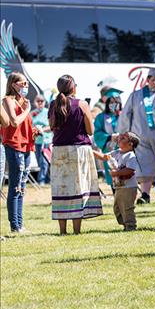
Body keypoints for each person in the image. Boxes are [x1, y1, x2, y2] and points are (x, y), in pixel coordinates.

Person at [49, 74, 103, 235]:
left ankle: (62, 231)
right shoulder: (82, 104)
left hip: (59, 151)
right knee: (78, 189)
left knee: (61, 190)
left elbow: (52, 126)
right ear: (74, 88)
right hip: (78, 150)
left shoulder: (53, 104)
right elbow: (90, 131)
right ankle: (76, 230)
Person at [118, 68, 155, 204]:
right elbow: (126, 114)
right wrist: (124, 133)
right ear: (147, 80)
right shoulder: (136, 96)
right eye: (154, 80)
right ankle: (145, 194)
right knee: (145, 164)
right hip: (141, 137)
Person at [1, 72, 35, 233]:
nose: (25, 86)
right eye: (22, 83)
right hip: (14, 146)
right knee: (15, 186)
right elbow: (13, 122)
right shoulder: (8, 100)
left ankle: (20, 224)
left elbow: (24, 125)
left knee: (22, 186)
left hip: (27, 146)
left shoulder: (24, 102)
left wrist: (34, 131)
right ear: (13, 84)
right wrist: (27, 110)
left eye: (27, 83)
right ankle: (14, 225)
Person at [94, 132, 140, 231]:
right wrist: (90, 150)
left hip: (129, 187)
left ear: (130, 144)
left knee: (127, 207)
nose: (119, 139)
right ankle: (125, 224)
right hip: (119, 186)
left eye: (123, 138)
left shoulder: (130, 155)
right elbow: (104, 157)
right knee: (117, 208)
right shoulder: (117, 152)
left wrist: (116, 173)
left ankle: (131, 226)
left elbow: (130, 170)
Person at [94, 88, 122, 191]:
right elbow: (97, 133)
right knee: (112, 171)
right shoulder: (101, 117)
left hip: (124, 148)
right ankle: (115, 192)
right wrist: (110, 137)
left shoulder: (124, 116)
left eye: (116, 102)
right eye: (111, 102)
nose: (113, 104)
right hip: (109, 149)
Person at [30, 95, 52, 186]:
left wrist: (42, 130)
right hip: (36, 141)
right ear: (35, 102)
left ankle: (41, 180)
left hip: (46, 140)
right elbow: (30, 126)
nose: (40, 103)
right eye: (38, 101)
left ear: (44, 102)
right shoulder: (32, 113)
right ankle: (47, 179)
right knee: (40, 161)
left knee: (44, 160)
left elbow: (51, 126)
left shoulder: (48, 112)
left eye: (41, 101)